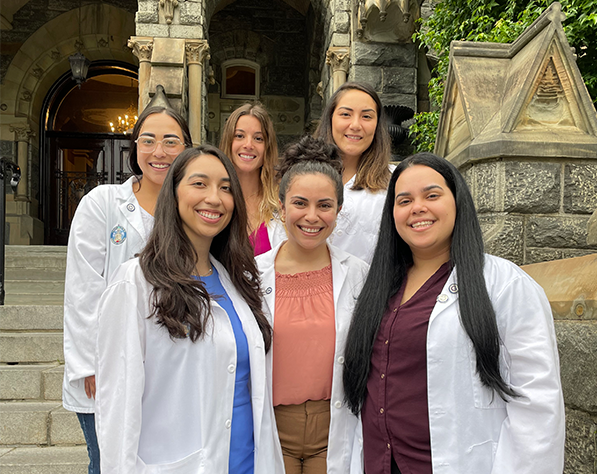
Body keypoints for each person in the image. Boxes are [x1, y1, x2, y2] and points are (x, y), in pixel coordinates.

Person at [343, 152, 565, 474]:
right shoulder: (377, 289)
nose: (417, 207)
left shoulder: (504, 284)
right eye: (404, 200)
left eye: (432, 195)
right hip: (377, 463)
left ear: (457, 201)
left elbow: (537, 401)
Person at [95, 146, 285, 473]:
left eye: (226, 188)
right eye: (199, 184)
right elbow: (117, 410)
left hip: (248, 463)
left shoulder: (236, 281)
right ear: (173, 193)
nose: (214, 198)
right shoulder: (136, 283)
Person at [62, 105, 191, 473]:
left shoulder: (192, 207)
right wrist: (90, 365)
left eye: (170, 141)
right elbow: (83, 290)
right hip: (106, 365)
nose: (159, 152)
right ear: (134, 147)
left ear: (187, 148)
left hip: (166, 366)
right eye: (148, 141)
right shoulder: (102, 204)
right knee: (108, 463)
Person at [256, 136, 368, 474]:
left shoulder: (358, 275)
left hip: (333, 429)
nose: (312, 216)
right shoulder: (251, 275)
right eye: (300, 203)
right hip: (271, 429)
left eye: (324, 205)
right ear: (281, 204)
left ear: (338, 209)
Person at [313, 81, 392, 263]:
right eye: (346, 114)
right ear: (330, 118)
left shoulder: (395, 182)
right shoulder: (301, 174)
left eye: (366, 117)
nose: (355, 125)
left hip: (371, 289)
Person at [220, 102, 284, 254]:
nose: (248, 145)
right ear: (228, 141)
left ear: (267, 147)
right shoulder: (214, 198)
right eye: (239, 136)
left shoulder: (281, 202)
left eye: (258, 138)